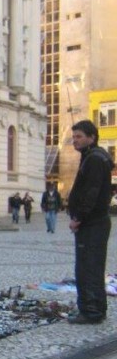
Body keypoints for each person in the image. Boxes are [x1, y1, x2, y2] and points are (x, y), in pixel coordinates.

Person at [66, 119, 114, 324]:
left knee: (88, 268)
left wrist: (78, 218)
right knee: (91, 266)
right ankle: (95, 309)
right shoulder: (93, 157)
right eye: (73, 136)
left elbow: (91, 193)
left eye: (79, 137)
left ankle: (91, 311)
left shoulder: (94, 159)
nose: (74, 140)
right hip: (95, 222)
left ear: (91, 138)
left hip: (92, 223)